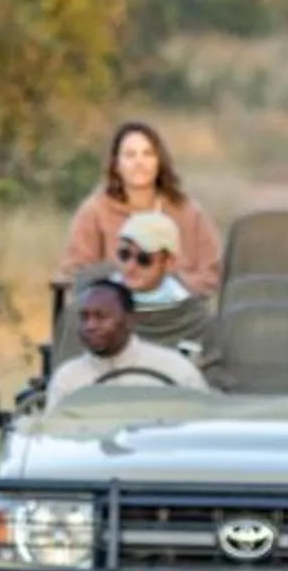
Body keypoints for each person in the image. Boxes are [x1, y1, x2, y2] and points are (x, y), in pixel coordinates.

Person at [61, 121, 222, 296]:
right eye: (130, 155)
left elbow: (211, 274)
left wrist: (166, 285)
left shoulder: (188, 212)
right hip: (117, 313)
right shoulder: (95, 211)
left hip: (175, 314)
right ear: (116, 164)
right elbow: (76, 273)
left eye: (148, 154)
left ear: (159, 161)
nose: (139, 162)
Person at [46, 276, 207, 406]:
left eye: (101, 317)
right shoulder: (68, 379)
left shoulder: (175, 371)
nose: (90, 326)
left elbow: (200, 432)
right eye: (84, 317)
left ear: (129, 320)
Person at [109, 209, 218, 349]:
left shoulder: (192, 316)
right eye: (124, 255)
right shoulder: (94, 305)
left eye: (144, 259)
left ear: (169, 262)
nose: (130, 267)